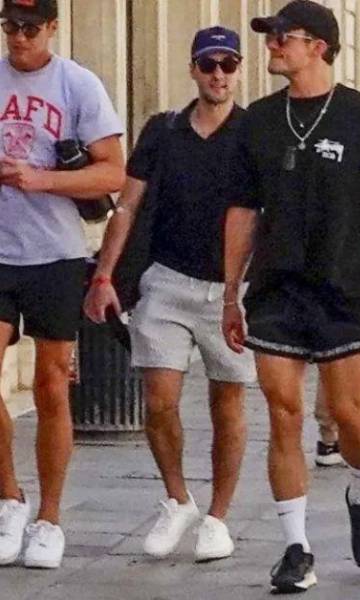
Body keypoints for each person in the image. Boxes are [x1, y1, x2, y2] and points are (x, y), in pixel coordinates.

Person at [221, 1, 360, 593]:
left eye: (282, 36)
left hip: (344, 287)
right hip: (277, 289)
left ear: (318, 46)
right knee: (283, 412)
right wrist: (231, 292)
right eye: (270, 36)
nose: (271, 45)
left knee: (351, 418)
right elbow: (242, 210)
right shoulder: (259, 120)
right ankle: (296, 548)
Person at [84, 27, 254, 563]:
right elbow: (127, 206)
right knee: (159, 402)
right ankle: (178, 499)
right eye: (209, 64)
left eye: (228, 64)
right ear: (193, 69)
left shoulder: (254, 133)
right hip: (166, 281)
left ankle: (218, 518)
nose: (218, 74)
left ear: (238, 70)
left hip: (232, 289)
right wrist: (104, 274)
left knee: (228, 401)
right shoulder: (163, 131)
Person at [0, 0, 124, 569]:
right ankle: (10, 498)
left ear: (52, 27)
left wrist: (41, 179)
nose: (19, 38)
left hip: (55, 254)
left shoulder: (78, 85)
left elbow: (112, 171)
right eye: (10, 27)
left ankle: (50, 518)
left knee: (51, 385)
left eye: (30, 28)